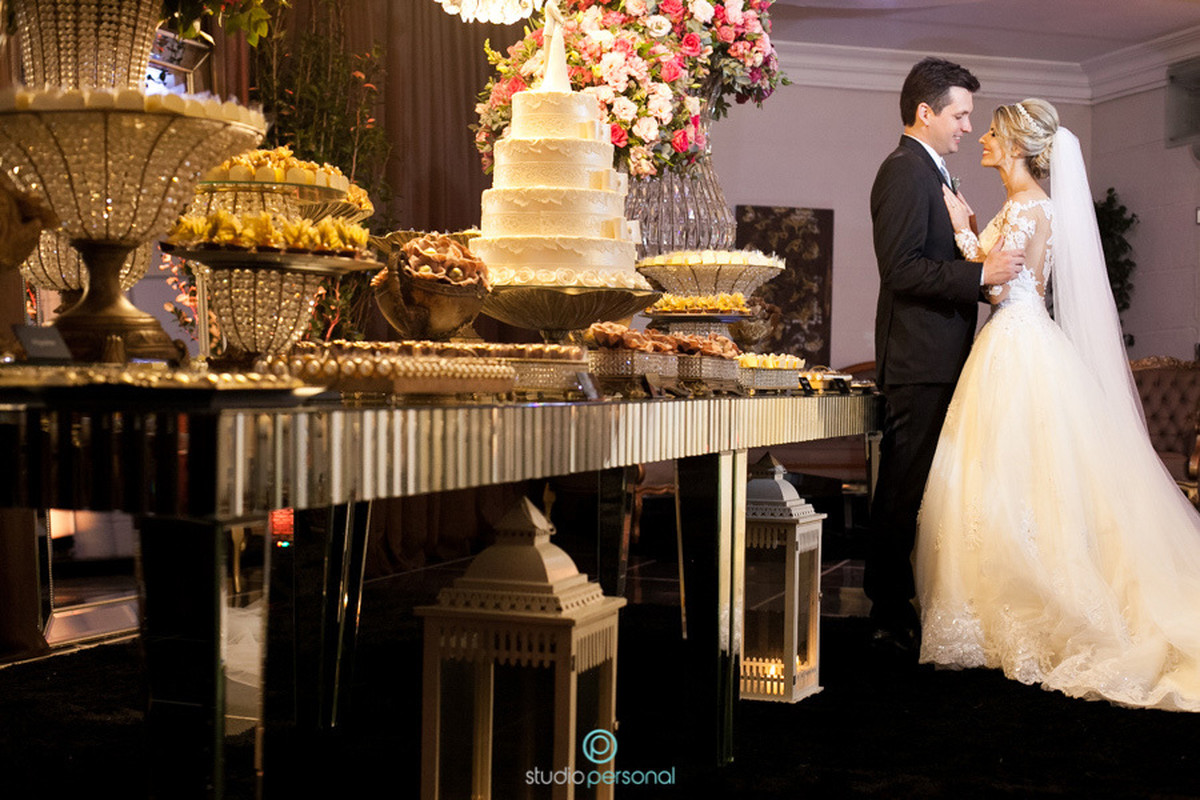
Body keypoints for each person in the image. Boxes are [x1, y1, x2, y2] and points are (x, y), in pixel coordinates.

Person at [915, 98, 1200, 711]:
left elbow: (1000, 284)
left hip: (1015, 343)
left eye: (992, 133)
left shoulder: (1027, 207)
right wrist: (973, 225)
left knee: (1008, 477)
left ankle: (1019, 608)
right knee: (1014, 478)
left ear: (1017, 145)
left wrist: (962, 229)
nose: (982, 139)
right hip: (1020, 338)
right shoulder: (1027, 204)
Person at [868, 56, 1024, 654]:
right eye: (960, 115)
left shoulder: (933, 172)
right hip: (919, 362)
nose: (967, 127)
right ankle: (886, 611)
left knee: (927, 490)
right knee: (903, 488)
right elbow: (902, 269)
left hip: (941, 358)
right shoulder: (904, 171)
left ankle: (911, 601)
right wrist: (980, 274)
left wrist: (980, 274)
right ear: (924, 112)